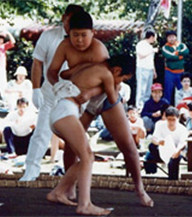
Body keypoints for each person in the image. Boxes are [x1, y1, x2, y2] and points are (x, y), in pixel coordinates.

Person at [48, 11, 153, 207]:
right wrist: (59, 87)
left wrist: (89, 92)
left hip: (106, 95)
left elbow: (111, 80)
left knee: (128, 144)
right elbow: (55, 72)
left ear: (92, 33)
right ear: (68, 33)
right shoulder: (64, 46)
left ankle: (139, 188)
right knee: (72, 145)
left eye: (84, 35)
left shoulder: (99, 50)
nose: (79, 40)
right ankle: (68, 188)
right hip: (79, 99)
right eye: (75, 35)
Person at [47, 55, 133, 216]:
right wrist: (106, 87)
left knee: (87, 157)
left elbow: (64, 74)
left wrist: (89, 86)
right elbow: (113, 99)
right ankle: (84, 204)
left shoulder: (88, 65)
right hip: (66, 112)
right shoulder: (107, 74)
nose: (120, 83)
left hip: (61, 111)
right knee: (87, 157)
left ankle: (58, 192)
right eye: (122, 79)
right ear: (117, 70)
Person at [20, 4, 85, 182]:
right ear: (64, 17)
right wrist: (35, 88)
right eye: (71, 19)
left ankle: (73, 175)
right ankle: (31, 171)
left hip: (75, 94)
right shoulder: (49, 36)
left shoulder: (84, 39)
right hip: (50, 92)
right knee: (41, 132)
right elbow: (37, 63)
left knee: (76, 137)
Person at [144, 107, 189, 180]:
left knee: (175, 159)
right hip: (161, 150)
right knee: (151, 147)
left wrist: (177, 151)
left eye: (173, 120)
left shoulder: (182, 129)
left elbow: (182, 143)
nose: (171, 122)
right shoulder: (159, 125)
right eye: (169, 119)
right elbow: (154, 138)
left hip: (176, 152)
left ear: (177, 118)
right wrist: (159, 142)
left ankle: (173, 180)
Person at [162, 30, 189, 104]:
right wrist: (180, 57)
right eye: (169, 37)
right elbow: (169, 56)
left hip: (181, 73)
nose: (171, 39)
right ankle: (166, 109)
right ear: (167, 38)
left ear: (176, 37)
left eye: (173, 37)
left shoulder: (181, 45)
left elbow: (186, 51)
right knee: (168, 91)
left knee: (183, 91)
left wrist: (177, 53)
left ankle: (184, 108)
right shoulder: (165, 47)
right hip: (169, 72)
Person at [135, 30, 158, 110]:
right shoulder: (141, 44)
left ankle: (146, 107)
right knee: (141, 89)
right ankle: (139, 107)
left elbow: (151, 60)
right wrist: (152, 50)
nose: (155, 40)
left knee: (148, 90)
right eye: (154, 37)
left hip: (150, 69)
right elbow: (141, 55)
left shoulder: (150, 46)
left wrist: (154, 71)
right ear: (151, 37)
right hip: (142, 69)